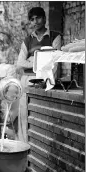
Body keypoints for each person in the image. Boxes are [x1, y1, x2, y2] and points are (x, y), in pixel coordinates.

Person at [16, 7, 61, 142]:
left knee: (41, 115)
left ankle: (39, 148)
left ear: (45, 18)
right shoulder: (27, 40)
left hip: (44, 80)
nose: (36, 21)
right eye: (32, 19)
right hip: (27, 81)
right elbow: (20, 63)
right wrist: (40, 62)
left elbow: (54, 62)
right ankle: (24, 148)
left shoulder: (54, 36)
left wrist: (32, 60)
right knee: (24, 115)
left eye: (38, 17)